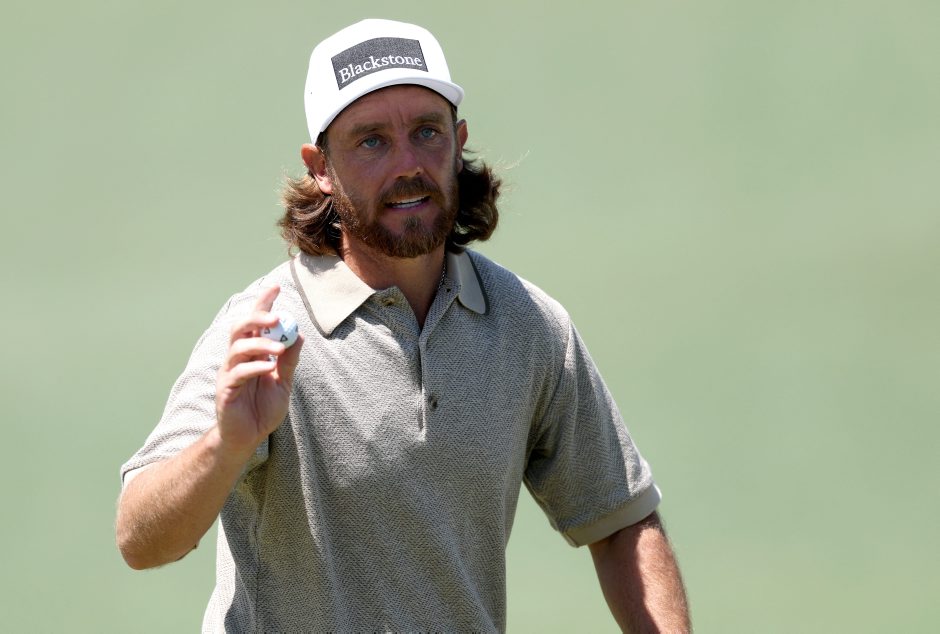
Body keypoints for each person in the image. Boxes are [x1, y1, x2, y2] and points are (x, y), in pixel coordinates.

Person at [116, 18, 691, 633]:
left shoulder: (529, 325)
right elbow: (140, 540)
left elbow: (620, 521)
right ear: (321, 167)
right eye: (372, 142)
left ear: (459, 142)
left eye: (426, 132)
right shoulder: (266, 326)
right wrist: (226, 447)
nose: (409, 165)